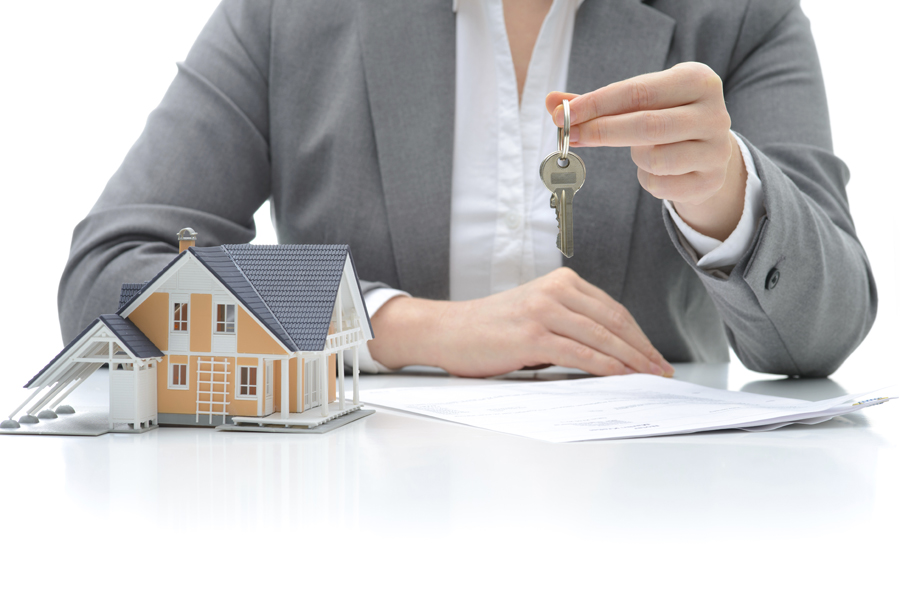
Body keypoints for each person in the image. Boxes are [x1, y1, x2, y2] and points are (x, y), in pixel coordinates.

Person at [59, 0, 876, 378]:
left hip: (654, 518)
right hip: (351, 513)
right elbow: (112, 277)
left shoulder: (740, 16)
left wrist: (730, 199)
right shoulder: (288, 15)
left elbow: (821, 337)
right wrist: (406, 327)